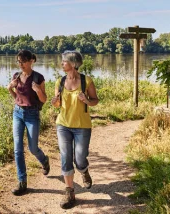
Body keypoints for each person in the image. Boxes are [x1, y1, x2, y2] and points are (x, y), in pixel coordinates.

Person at [50, 50, 99, 209]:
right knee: (65, 156)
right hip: (63, 124)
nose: (62, 64)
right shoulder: (60, 81)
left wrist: (86, 99)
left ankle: (83, 170)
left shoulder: (86, 81)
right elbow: (57, 105)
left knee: (79, 158)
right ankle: (69, 192)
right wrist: (55, 102)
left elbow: (95, 101)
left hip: (82, 126)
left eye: (64, 61)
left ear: (72, 63)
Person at [7, 50, 50, 196]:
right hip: (17, 113)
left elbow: (44, 99)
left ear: (31, 61)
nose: (20, 64)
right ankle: (22, 182)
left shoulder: (38, 77)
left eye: (23, 61)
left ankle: (44, 160)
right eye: (18, 61)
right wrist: (9, 89)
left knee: (33, 148)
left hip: (32, 115)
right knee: (18, 149)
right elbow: (17, 98)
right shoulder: (16, 76)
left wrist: (38, 90)